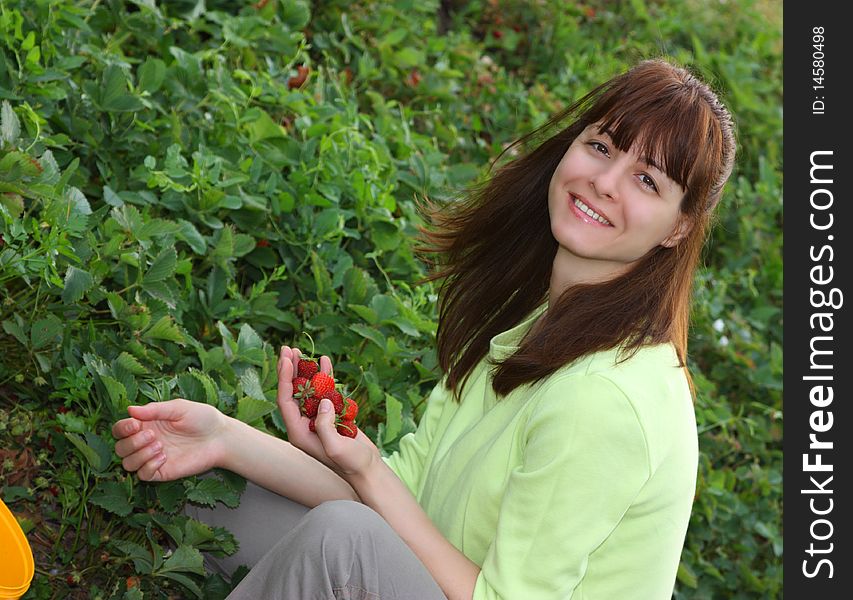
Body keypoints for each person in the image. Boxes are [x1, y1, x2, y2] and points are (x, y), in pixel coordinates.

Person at [112, 58, 736, 599]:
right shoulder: (541, 329)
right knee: (213, 485)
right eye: (601, 147)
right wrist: (224, 439)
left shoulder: (611, 398)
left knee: (343, 543)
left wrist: (367, 474)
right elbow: (398, 497)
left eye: (647, 180)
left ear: (679, 228)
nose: (603, 182)